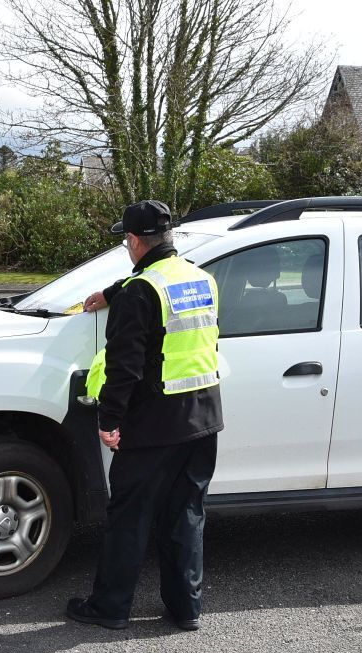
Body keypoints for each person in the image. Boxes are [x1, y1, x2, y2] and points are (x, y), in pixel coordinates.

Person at [67, 200, 223, 631]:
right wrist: (114, 291)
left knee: (130, 518)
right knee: (186, 514)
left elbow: (124, 368)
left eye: (126, 241)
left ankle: (110, 607)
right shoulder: (201, 280)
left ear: (135, 241)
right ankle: (185, 608)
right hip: (203, 420)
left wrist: (109, 420)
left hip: (154, 425)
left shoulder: (141, 292)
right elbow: (157, 290)